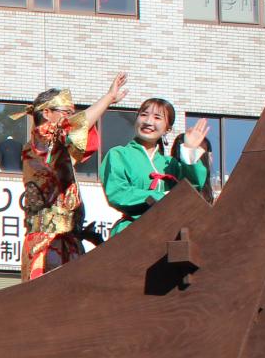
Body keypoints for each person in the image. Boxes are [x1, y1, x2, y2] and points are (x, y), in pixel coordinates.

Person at [16, 74, 127, 280]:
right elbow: (75, 127)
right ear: (47, 113)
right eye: (66, 112)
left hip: (68, 238)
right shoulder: (40, 140)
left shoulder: (57, 148)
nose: (70, 116)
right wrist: (108, 98)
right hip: (46, 241)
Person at [99, 99, 211, 234]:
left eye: (157, 117)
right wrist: (163, 196)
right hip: (130, 233)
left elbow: (191, 189)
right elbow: (118, 193)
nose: (148, 122)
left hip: (168, 233)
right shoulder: (118, 155)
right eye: (144, 115)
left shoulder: (171, 163)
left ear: (167, 128)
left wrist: (189, 149)